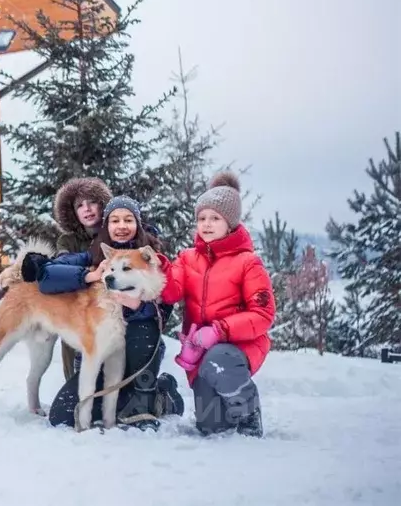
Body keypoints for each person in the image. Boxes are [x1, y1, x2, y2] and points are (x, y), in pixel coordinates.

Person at [22, 196, 185, 431]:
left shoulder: (152, 258)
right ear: (106, 226)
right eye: (114, 220)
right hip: (102, 352)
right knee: (63, 416)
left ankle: (154, 395)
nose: (121, 226)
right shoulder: (97, 255)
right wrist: (87, 275)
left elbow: (166, 307)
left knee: (144, 326)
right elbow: (49, 277)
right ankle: (149, 392)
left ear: (137, 225)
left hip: (138, 353)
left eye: (128, 220)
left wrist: (138, 307)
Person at [162, 172, 275, 438]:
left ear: (231, 223)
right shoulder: (187, 258)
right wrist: (158, 268)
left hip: (237, 347)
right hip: (199, 351)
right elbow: (170, 292)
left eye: (215, 218)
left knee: (218, 359)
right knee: (211, 427)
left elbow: (263, 314)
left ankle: (249, 413)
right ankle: (216, 406)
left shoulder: (248, 262)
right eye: (202, 218)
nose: (207, 224)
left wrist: (219, 331)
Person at [49, 177, 113, 381]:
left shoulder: (115, 232)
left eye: (91, 202)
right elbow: (62, 266)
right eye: (79, 205)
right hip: (77, 307)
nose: (86, 209)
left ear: (102, 204)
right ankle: (73, 385)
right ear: (73, 212)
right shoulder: (67, 240)